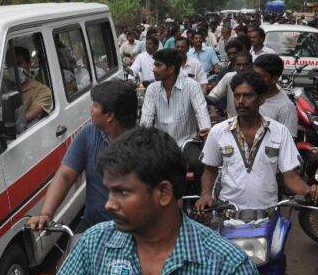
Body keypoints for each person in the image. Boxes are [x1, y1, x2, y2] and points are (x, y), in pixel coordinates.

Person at [23, 127, 290, 275]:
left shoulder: (225, 265)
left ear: (163, 193)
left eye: (122, 193)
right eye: (109, 192)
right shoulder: (95, 245)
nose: (109, 205)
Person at [196, 72, 318, 275]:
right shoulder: (219, 132)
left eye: (248, 95)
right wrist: (207, 194)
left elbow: (290, 178)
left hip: (269, 218)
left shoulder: (279, 132)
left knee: (276, 270)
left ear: (260, 98)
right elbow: (208, 169)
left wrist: (309, 191)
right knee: (217, 273)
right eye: (238, 96)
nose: (242, 101)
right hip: (227, 218)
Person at [27, 80, 137, 232]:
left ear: (110, 116)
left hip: (131, 230)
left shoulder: (143, 145)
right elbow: (65, 175)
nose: (91, 109)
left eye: (96, 105)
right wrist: (46, 214)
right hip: (92, 226)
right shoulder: (88, 133)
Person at [140, 48, 211, 186]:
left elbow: (201, 112)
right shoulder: (152, 89)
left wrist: (205, 131)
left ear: (171, 69)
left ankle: (198, 200)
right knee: (147, 166)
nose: (153, 69)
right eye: (154, 65)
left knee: (197, 163)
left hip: (187, 142)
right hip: (161, 144)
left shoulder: (192, 86)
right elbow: (146, 121)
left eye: (158, 65)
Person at [254, 54, 298, 138]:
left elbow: (288, 141)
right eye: (254, 74)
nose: (255, 79)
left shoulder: (286, 107)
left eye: (260, 76)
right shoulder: (250, 96)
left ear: (274, 79)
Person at [13, 47, 53, 123]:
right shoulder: (0, 89)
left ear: (28, 64)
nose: (14, 68)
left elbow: (31, 114)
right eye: (11, 65)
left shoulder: (42, 90)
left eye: (18, 64)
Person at [209, 50, 253, 118]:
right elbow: (212, 96)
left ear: (251, 65)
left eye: (245, 65)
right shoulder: (229, 77)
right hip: (232, 123)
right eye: (238, 65)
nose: (241, 68)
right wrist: (213, 111)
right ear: (234, 65)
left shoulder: (257, 81)